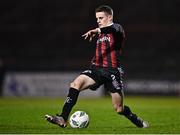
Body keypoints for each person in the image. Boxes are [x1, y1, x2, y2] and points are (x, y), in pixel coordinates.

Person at [45, 5, 149, 128]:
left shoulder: (117, 29)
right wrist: (98, 33)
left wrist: (97, 30)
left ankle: (135, 118)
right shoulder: (100, 33)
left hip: (112, 72)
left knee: (119, 109)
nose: (98, 21)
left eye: (101, 18)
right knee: (75, 84)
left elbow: (112, 29)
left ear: (109, 17)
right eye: (97, 18)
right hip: (96, 69)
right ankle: (62, 118)